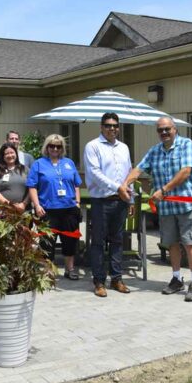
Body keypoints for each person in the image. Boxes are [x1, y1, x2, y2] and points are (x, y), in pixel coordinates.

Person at [123, 116, 192, 302]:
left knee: (190, 243)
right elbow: (139, 169)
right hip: (166, 208)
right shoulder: (154, 151)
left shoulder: (186, 144)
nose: (164, 133)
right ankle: (176, 279)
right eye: (160, 130)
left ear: (175, 129)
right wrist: (125, 183)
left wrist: (163, 190)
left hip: (186, 206)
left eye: (167, 129)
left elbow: (186, 171)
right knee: (172, 243)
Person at [83, 112, 133, 298]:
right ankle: (99, 281)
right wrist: (117, 188)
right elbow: (95, 173)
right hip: (101, 201)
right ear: (101, 127)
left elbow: (129, 173)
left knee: (118, 240)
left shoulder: (124, 147)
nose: (112, 128)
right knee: (98, 242)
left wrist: (130, 197)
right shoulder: (93, 146)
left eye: (115, 125)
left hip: (121, 201)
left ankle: (117, 278)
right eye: (108, 125)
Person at [28, 134, 82, 280]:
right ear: (47, 147)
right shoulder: (39, 164)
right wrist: (37, 205)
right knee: (47, 242)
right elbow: (32, 187)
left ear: (62, 148)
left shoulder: (69, 163)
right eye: (52, 145)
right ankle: (48, 270)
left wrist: (77, 203)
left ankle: (69, 269)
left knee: (70, 241)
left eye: (58, 146)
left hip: (69, 209)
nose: (55, 149)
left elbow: (76, 184)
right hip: (47, 209)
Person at [0, 143, 30, 214]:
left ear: (16, 154)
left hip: (23, 210)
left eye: (12, 153)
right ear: (2, 156)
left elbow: (32, 189)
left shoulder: (25, 169)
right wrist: (9, 205)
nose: (10, 155)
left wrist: (24, 204)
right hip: (2, 211)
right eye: (6, 154)